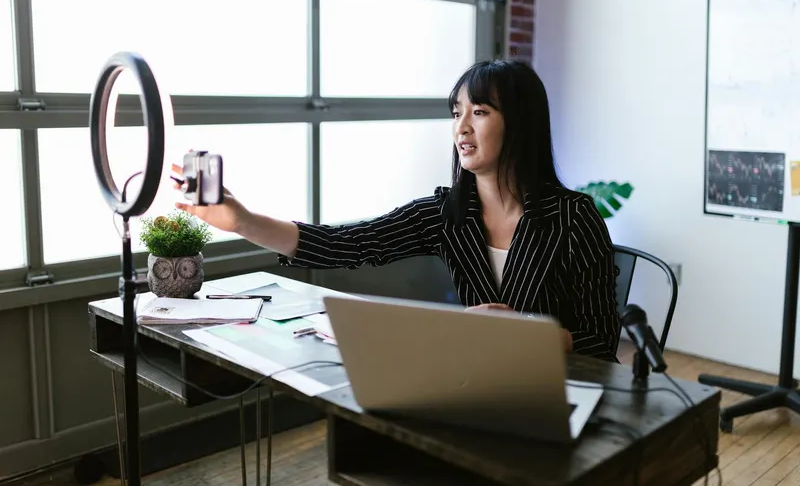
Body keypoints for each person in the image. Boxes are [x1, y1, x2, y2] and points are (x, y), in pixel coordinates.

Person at [173, 59, 621, 363]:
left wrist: (528, 333)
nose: (461, 128)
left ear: (519, 124)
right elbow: (345, 245)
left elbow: (602, 342)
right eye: (456, 112)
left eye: (479, 112)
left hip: (561, 394)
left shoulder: (573, 218)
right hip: (480, 383)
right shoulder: (447, 214)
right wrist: (243, 221)